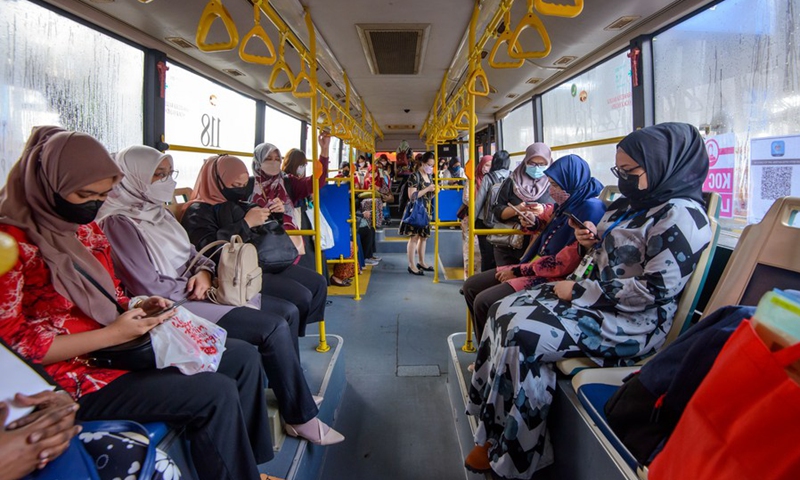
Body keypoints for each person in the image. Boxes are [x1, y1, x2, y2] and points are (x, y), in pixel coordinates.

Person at [0, 126, 276, 480]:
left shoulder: (81, 231)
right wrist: (113, 334)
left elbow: (109, 294)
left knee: (241, 358)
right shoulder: (12, 247)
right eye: (84, 194)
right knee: (214, 392)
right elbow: (13, 347)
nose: (94, 206)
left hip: (119, 347)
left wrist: (139, 305)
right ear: (47, 186)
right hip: (70, 378)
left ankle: (250, 465)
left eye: (102, 195)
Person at [464, 123, 713, 479]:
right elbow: (611, 257)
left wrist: (578, 291)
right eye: (619, 171)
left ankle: (518, 454)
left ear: (662, 166)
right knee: (502, 311)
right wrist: (589, 242)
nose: (623, 179)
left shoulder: (682, 218)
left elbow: (654, 291)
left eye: (630, 172)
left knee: (525, 336)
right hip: (596, 301)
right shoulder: (630, 205)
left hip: (631, 321)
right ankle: (492, 430)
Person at [97, 146, 342, 446]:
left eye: (168, 174)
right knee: (273, 327)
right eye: (156, 175)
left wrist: (203, 272)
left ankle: (292, 396)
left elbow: (194, 253)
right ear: (132, 178)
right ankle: (299, 416)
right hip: (178, 302)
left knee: (286, 311)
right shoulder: (118, 222)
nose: (165, 181)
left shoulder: (158, 213)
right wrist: (200, 283)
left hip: (203, 284)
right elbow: (148, 285)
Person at [181, 147, 328, 338]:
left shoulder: (234, 201)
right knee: (301, 297)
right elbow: (208, 248)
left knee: (317, 283)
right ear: (218, 182)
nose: (241, 190)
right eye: (236, 184)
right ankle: (291, 338)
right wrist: (246, 223)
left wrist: (273, 213)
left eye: (243, 184)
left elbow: (259, 226)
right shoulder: (198, 211)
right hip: (237, 270)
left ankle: (297, 333)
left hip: (258, 258)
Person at [463, 154, 606, 339]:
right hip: (535, 264)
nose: (552, 191)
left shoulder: (590, 209)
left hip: (553, 276)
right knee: (471, 286)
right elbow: (548, 221)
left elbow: (563, 263)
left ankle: (490, 355)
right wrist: (534, 222)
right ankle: (486, 347)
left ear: (570, 182)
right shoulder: (567, 204)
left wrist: (517, 271)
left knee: (484, 301)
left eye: (555, 185)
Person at [491, 143, 554, 266]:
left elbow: (559, 211)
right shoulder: (511, 181)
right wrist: (517, 209)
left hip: (539, 246)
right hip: (509, 244)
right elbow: (497, 210)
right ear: (525, 161)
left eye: (542, 164)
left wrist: (543, 211)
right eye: (532, 163)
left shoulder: (554, 184)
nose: (537, 168)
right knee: (504, 280)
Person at [474, 151, 511, 272]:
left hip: (485, 221)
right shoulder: (513, 176)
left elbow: (479, 200)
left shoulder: (488, 178)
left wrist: (472, 221)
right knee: (503, 254)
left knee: (487, 255)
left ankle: (485, 282)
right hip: (505, 221)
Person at [400, 152, 436, 275]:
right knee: (414, 237)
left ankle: (421, 262)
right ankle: (412, 265)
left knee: (423, 237)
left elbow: (428, 196)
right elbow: (412, 196)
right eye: (429, 165)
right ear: (422, 163)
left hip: (426, 210)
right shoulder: (414, 176)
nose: (430, 168)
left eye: (432, 165)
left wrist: (434, 192)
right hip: (416, 210)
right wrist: (427, 189)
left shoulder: (429, 176)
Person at [458, 155, 493, 279]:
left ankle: (480, 278)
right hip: (470, 218)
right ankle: (469, 278)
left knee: (483, 251)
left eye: (490, 166)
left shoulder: (492, 180)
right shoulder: (472, 179)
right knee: (470, 250)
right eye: (486, 165)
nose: (487, 168)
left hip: (484, 219)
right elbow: (466, 199)